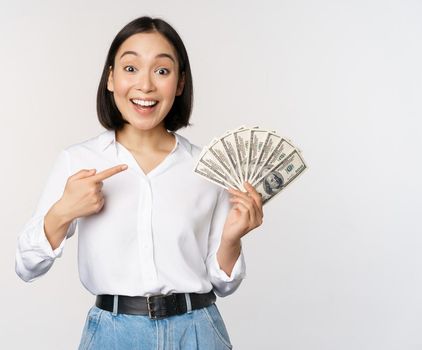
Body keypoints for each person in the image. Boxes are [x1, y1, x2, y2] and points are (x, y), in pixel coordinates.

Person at [14, 16, 263, 349]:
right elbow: (27, 266)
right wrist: (62, 212)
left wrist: (232, 238)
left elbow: (225, 283)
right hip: (113, 335)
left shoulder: (206, 168)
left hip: (198, 332)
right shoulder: (78, 161)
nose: (145, 85)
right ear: (111, 78)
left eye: (162, 71)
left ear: (179, 83)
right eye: (131, 68)